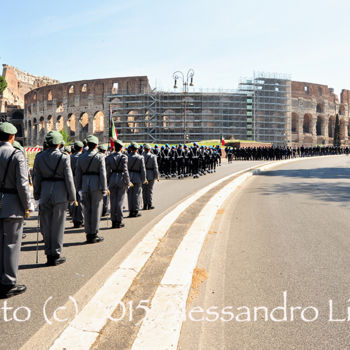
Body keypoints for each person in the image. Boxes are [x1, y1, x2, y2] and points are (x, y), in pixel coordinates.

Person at [33, 131, 76, 266]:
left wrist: (36, 194)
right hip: (60, 193)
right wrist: (72, 196)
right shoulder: (64, 157)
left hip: (45, 192)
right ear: (58, 143)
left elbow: (36, 178)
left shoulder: (39, 157)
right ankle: (55, 254)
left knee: (46, 225)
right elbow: (69, 179)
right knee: (58, 225)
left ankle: (48, 253)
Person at [0, 122, 32, 298]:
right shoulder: (16, 154)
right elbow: (22, 183)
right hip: (12, 204)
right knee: (11, 244)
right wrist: (28, 205)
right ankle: (8, 282)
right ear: (12, 137)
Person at [75, 135, 107, 243]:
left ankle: (88, 233)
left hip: (84, 184)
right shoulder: (100, 156)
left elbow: (78, 174)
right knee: (96, 210)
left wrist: (78, 187)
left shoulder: (81, 157)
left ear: (87, 145)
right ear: (96, 145)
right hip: (96, 184)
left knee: (87, 210)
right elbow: (103, 174)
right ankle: (94, 234)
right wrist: (104, 188)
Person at [106, 139, 130, 228]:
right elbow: (125, 170)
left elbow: (108, 171)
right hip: (120, 178)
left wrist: (107, 181)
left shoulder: (109, 157)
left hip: (112, 178)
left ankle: (113, 221)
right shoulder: (124, 157)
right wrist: (127, 182)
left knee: (113, 201)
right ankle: (119, 221)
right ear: (121, 148)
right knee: (120, 201)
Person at [127, 142, 146, 217]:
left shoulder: (127, 157)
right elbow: (143, 170)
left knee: (130, 195)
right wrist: (143, 179)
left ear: (131, 149)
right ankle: (136, 210)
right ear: (137, 149)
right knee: (137, 194)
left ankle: (131, 210)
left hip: (129, 177)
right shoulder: (140, 157)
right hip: (137, 177)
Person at [70, 141, 84, 228]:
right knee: (81, 201)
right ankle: (80, 219)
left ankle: (74, 219)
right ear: (81, 148)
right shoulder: (82, 157)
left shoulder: (69, 157)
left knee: (73, 200)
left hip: (71, 179)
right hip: (80, 179)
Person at [142, 144, 159, 210]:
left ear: (144, 149)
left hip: (143, 174)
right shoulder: (153, 156)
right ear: (150, 149)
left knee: (144, 191)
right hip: (151, 174)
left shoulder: (141, 156)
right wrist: (157, 176)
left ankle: (144, 205)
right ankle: (149, 204)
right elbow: (155, 167)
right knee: (149, 190)